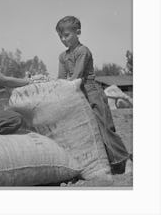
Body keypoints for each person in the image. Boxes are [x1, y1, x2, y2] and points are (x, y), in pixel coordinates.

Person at [55, 16, 132, 174]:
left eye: (67, 35)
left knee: (105, 128)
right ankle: (105, 163)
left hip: (92, 91)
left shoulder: (83, 51)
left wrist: (66, 83)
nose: (63, 39)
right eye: (60, 36)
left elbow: (77, 75)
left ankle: (125, 160)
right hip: (76, 94)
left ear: (78, 32)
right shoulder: (62, 56)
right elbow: (61, 79)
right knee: (89, 131)